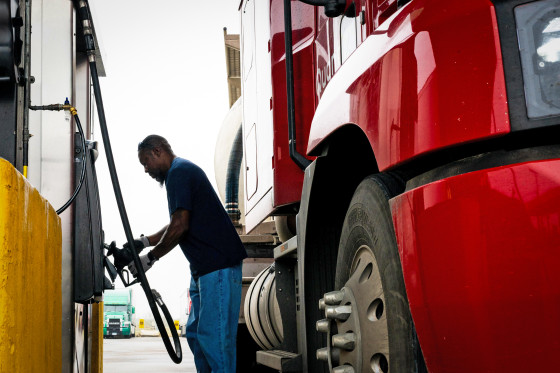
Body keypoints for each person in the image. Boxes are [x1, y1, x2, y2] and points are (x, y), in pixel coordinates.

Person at [126, 134, 247, 373]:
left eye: (146, 162)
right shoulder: (179, 172)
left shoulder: (179, 172)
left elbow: (180, 226)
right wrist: (144, 242)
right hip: (204, 270)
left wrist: (150, 258)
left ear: (158, 151)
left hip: (217, 267)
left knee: (216, 341)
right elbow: (178, 220)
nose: (146, 169)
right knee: (196, 335)